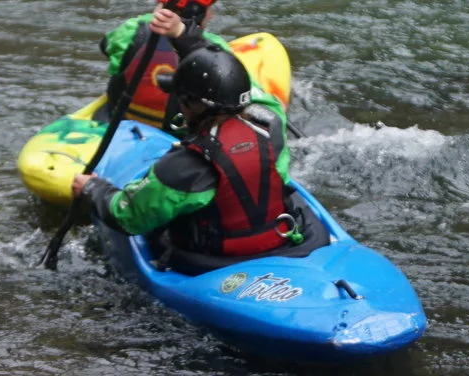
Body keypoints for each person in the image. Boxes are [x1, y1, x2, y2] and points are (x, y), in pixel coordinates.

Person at [70, 47, 307, 269]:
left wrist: (92, 188)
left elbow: (129, 217)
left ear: (190, 106)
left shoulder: (184, 166)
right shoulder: (271, 127)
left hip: (216, 261)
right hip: (280, 239)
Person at [100, 0, 261, 126]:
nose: (211, 15)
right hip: (176, 136)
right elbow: (239, 93)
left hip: (122, 127)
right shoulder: (214, 47)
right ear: (195, 11)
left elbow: (105, 45)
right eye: (209, 8)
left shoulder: (131, 29)